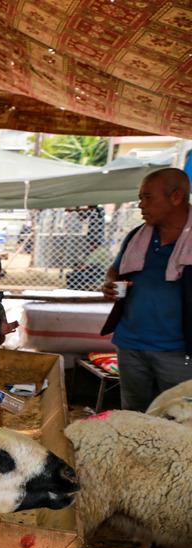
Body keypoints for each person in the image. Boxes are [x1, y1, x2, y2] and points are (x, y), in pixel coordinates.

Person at [100, 167, 192, 410]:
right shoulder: (137, 236)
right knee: (134, 413)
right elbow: (115, 271)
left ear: (176, 197)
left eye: (148, 197)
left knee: (178, 416)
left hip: (179, 352)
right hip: (131, 344)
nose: (140, 205)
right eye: (140, 197)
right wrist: (110, 284)